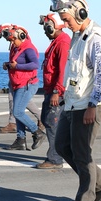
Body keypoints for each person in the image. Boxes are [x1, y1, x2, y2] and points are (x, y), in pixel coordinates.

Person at [52, 0, 101, 201]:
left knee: (82, 154)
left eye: (67, 20)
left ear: (81, 14)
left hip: (89, 104)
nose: (65, 24)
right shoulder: (77, 36)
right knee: (62, 146)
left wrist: (93, 105)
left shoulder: (96, 39)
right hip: (73, 103)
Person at [35, 12, 71, 170]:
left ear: (54, 26)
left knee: (52, 123)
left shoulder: (62, 42)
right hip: (51, 89)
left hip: (56, 91)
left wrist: (57, 91)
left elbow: (63, 70)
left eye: (46, 27)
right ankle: (57, 155)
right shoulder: (57, 41)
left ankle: (55, 159)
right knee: (48, 120)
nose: (44, 31)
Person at [2, 25, 45, 151]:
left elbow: (35, 64)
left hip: (26, 84)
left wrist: (17, 66)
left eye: (13, 40)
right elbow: (17, 64)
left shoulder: (28, 48)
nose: (12, 43)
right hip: (18, 83)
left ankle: (37, 132)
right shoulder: (17, 48)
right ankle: (20, 140)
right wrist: (9, 65)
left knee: (18, 112)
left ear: (21, 37)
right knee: (18, 113)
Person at [0, 24, 17, 134]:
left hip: (21, 78)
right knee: (12, 99)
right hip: (14, 77)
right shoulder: (13, 44)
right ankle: (12, 123)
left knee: (25, 101)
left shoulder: (21, 43)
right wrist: (8, 64)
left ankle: (39, 121)